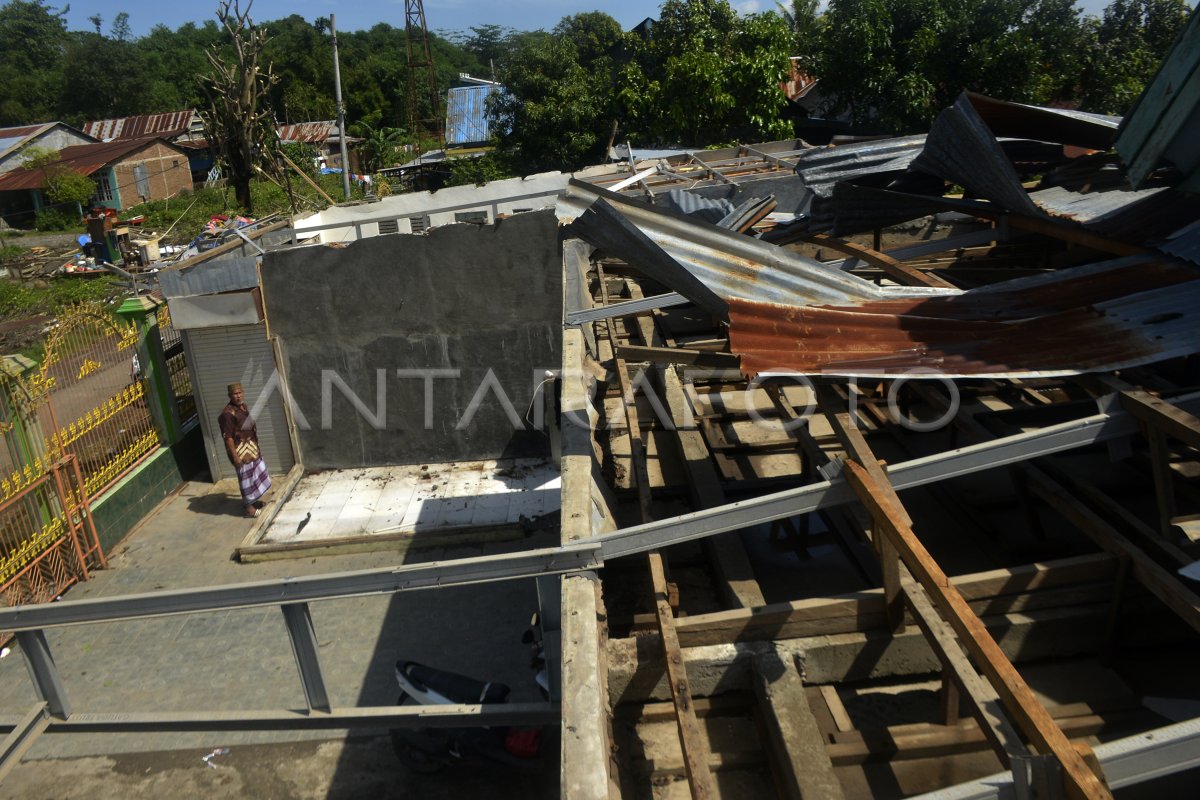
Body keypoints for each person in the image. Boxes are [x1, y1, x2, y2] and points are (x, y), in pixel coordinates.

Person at [218, 382, 271, 518]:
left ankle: (254, 501)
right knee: (245, 480)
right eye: (235, 394)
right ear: (230, 396)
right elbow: (228, 437)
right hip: (240, 452)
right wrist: (235, 457)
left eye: (240, 392)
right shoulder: (227, 414)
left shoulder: (243, 407)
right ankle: (249, 509)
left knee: (257, 474)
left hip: (252, 449)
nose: (238, 396)